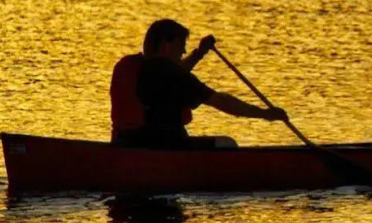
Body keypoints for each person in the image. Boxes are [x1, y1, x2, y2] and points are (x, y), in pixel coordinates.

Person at [110, 19, 288, 148]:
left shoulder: (134, 67)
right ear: (166, 45)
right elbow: (221, 101)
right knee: (228, 144)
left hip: (125, 142)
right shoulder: (172, 75)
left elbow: (173, 76)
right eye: (181, 45)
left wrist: (199, 53)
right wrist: (266, 114)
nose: (184, 51)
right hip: (164, 147)